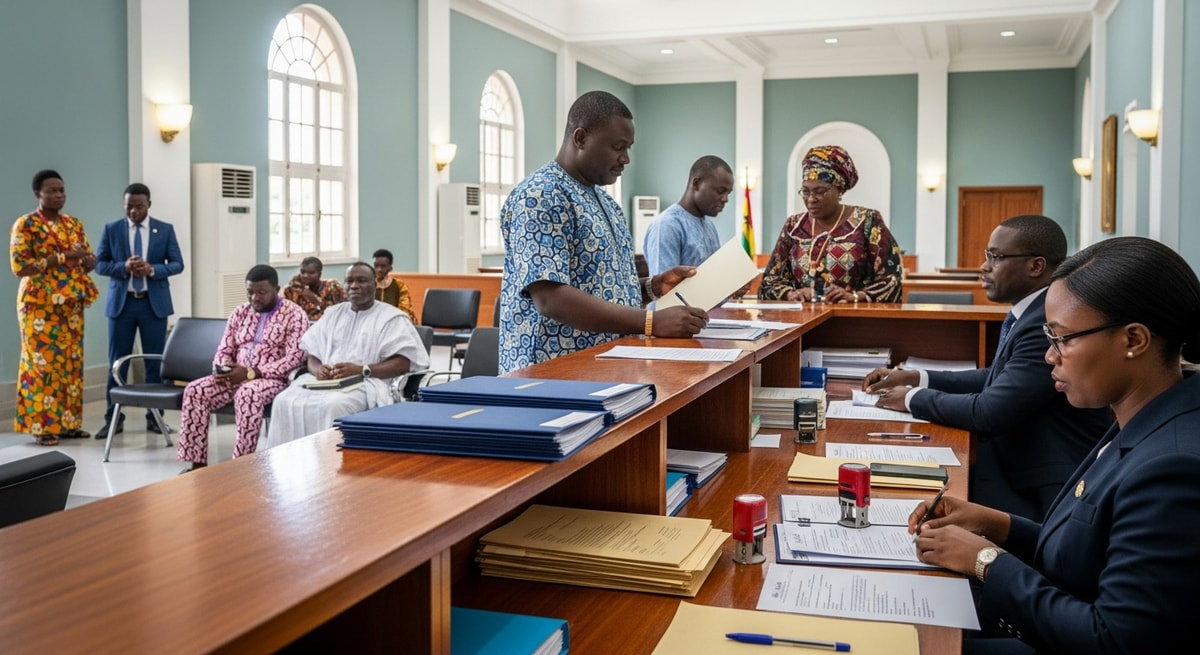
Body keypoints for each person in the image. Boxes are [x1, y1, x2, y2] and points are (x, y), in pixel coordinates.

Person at [910, 237, 1200, 653]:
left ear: (1133, 340)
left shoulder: (1174, 468)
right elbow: (1087, 555)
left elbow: (1112, 640)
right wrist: (996, 524)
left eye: (1062, 338)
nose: (1049, 355)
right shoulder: (1146, 411)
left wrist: (985, 560)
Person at [863, 215, 1110, 520]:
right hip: (1016, 464)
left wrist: (911, 398)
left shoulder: (1045, 320)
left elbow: (988, 412)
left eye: (996, 257)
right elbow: (996, 377)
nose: (984, 266)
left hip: (1036, 488)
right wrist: (917, 377)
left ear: (1035, 266)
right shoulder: (1033, 311)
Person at [499, 90, 707, 373]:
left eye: (628, 147)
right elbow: (550, 298)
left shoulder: (606, 203)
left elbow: (603, 288)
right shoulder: (541, 195)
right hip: (549, 373)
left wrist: (654, 287)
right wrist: (650, 322)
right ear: (581, 138)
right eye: (618, 147)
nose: (626, 158)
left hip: (606, 367)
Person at [263, 262, 429, 448]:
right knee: (283, 401)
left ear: (374, 284)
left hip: (367, 381)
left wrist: (361, 370)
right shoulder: (333, 313)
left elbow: (404, 363)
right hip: (324, 381)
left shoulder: (392, 318)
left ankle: (332, 460)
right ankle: (290, 459)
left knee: (334, 405)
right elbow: (312, 353)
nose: (354, 286)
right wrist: (318, 370)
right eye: (349, 281)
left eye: (362, 281)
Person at [176, 265, 308, 470]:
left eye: (261, 292)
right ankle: (197, 466)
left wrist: (252, 373)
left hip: (272, 379)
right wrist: (222, 368)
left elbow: (295, 358)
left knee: (248, 393)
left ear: (276, 289)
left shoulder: (294, 315)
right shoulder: (240, 312)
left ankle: (240, 467)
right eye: (250, 292)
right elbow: (225, 348)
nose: (255, 298)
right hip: (235, 375)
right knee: (195, 390)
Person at [9, 169, 98, 445]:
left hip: (70, 304)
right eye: (52, 190)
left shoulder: (73, 224)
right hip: (38, 306)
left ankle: (69, 424)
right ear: (38, 193)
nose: (59, 195)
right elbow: (20, 267)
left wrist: (89, 262)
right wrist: (62, 256)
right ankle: (42, 427)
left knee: (70, 363)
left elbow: (84, 258)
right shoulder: (25, 225)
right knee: (42, 364)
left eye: (61, 190)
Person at [94, 183, 185, 437]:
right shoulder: (112, 229)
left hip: (152, 305)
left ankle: (155, 418)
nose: (133, 211)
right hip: (121, 305)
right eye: (129, 206)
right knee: (117, 363)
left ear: (149, 205)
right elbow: (99, 264)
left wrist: (152, 269)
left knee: (154, 363)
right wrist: (123, 266)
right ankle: (113, 419)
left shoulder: (164, 230)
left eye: (139, 206)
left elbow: (177, 264)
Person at [759, 145, 903, 303]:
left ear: (840, 190)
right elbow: (770, 281)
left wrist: (854, 296)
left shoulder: (868, 221)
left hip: (854, 315)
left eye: (820, 191)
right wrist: (791, 294)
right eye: (806, 191)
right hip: (803, 314)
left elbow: (891, 279)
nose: (811, 199)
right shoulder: (793, 226)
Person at [642, 155, 733, 274]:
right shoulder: (666, 226)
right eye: (720, 191)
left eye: (728, 193)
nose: (725, 199)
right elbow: (663, 284)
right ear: (696, 183)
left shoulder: (709, 226)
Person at [284, 256, 345, 321]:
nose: (305, 276)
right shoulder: (294, 290)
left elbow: (339, 313)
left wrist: (315, 300)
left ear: (319, 274)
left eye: (311, 273)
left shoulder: (332, 287)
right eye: (302, 272)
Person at [371, 248, 415, 321]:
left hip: (394, 321)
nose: (379, 269)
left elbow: (405, 310)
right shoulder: (368, 284)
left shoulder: (399, 285)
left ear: (390, 268)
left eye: (383, 266)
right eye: (376, 266)